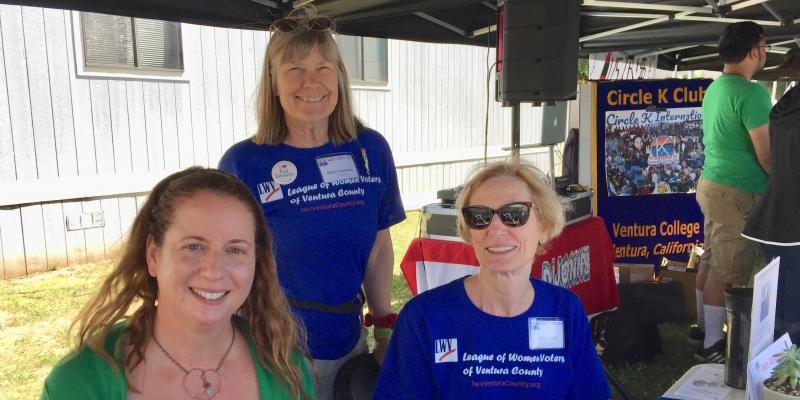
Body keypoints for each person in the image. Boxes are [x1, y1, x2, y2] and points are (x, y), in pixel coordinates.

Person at [218, 7, 405, 399]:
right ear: (273, 83)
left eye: (324, 67)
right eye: (294, 70)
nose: (311, 82)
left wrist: (384, 328)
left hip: (346, 344)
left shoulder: (370, 150)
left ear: (340, 77)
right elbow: (222, 262)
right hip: (268, 352)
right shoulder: (243, 163)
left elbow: (378, 249)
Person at [41, 167, 313, 399]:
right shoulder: (81, 382)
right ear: (153, 256)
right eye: (193, 246)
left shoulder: (285, 368)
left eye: (235, 250)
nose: (214, 270)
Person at [373, 161, 611, 399]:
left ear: (545, 226)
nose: (495, 229)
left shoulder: (564, 310)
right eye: (480, 216)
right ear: (469, 230)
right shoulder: (425, 318)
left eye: (515, 214)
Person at [692, 21, 772, 363]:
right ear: (754, 50)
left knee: (711, 260)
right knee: (729, 271)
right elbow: (766, 154)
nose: (766, 53)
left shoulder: (717, 87)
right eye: (765, 46)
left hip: (713, 185)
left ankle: (701, 330)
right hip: (736, 191)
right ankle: (712, 345)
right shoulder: (750, 93)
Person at [742, 48, 800, 344]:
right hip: (791, 225)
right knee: (791, 317)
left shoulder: (788, 102)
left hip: (774, 219)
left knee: (782, 308)